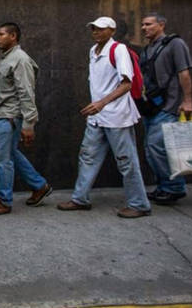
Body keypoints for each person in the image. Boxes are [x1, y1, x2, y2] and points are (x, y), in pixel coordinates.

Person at [57, 17, 151, 218]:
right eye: (93, 29)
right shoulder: (93, 51)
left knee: (126, 160)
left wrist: (102, 103)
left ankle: (139, 204)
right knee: (88, 157)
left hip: (117, 116)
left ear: (111, 30)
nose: (95, 32)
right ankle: (79, 199)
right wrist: (97, 106)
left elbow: (126, 83)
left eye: (100, 29)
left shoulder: (118, 50)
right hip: (97, 117)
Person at [0, 23, 52, 216]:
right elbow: (4, 91)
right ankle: (39, 185)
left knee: (2, 159)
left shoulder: (20, 59)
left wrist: (29, 124)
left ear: (13, 36)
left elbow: (26, 93)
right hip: (2, 114)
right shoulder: (7, 59)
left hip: (11, 117)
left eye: (1, 34)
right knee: (11, 154)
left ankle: (4, 200)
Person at [139, 13, 192, 205]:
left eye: (148, 24)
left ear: (161, 25)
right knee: (151, 149)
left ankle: (175, 187)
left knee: (156, 146)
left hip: (170, 106)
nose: (144, 28)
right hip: (151, 107)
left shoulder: (175, 44)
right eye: (142, 25)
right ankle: (164, 186)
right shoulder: (147, 49)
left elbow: (184, 73)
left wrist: (187, 101)